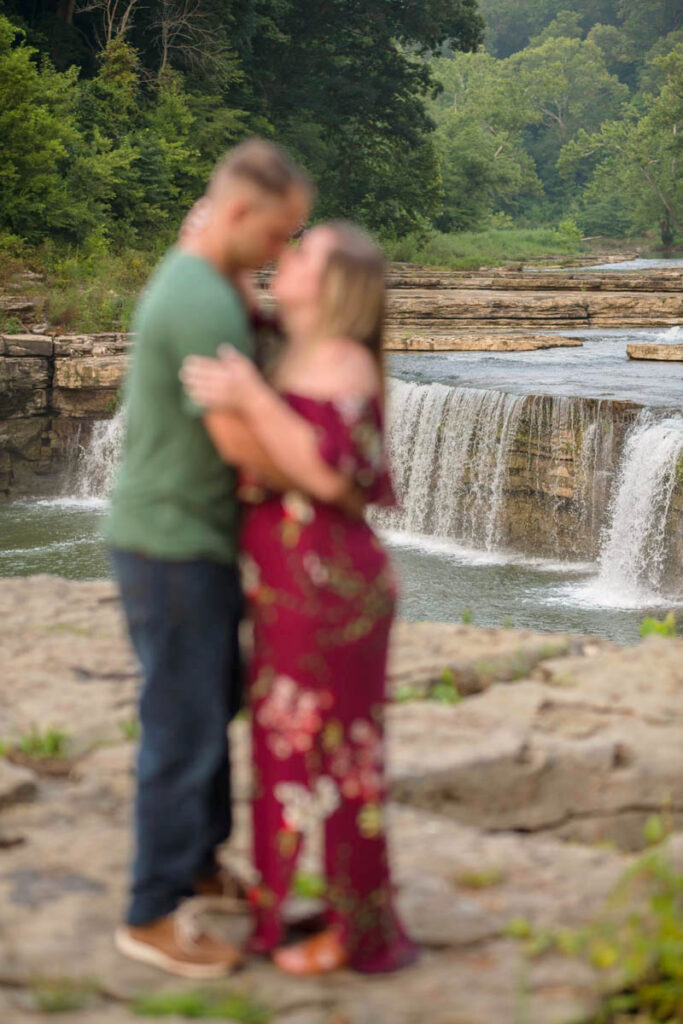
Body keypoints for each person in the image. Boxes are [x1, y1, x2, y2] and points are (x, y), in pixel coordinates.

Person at [181, 222, 420, 976]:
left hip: (333, 592)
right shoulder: (296, 347)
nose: (286, 257)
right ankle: (293, 906)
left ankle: (359, 936)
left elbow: (329, 479)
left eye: (304, 253)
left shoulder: (344, 360)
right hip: (289, 589)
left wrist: (251, 395)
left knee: (343, 762)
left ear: (334, 285)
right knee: (284, 753)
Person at [107, 139, 312, 979]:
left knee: (211, 697)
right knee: (183, 721)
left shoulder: (205, 279)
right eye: (276, 234)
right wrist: (327, 477)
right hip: (172, 542)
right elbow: (242, 449)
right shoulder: (201, 303)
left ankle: (198, 861)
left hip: (185, 538)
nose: (281, 253)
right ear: (234, 214)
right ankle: (150, 910)